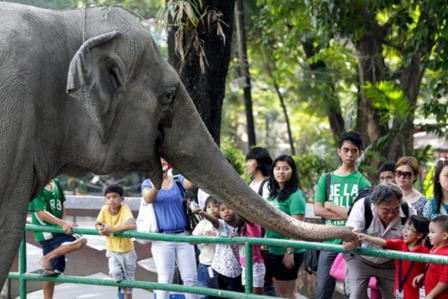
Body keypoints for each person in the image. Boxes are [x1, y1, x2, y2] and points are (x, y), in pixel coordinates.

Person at [313, 131, 371, 299]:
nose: (349, 154)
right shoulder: (327, 178)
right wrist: (348, 215)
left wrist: (330, 206)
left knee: (351, 291)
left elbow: (360, 216)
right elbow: (317, 209)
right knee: (323, 289)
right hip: (329, 240)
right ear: (339, 151)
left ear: (360, 153)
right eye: (346, 150)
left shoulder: (363, 182)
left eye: (354, 150)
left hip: (352, 242)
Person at [343, 183, 417, 299]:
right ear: (375, 204)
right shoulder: (362, 207)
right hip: (361, 259)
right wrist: (351, 242)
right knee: (356, 295)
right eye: (386, 210)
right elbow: (347, 241)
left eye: (395, 210)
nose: (391, 215)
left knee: (396, 296)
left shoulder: (408, 211)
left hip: (391, 262)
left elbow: (416, 241)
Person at [141, 158, 197, 299]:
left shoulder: (178, 180)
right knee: (165, 279)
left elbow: (191, 183)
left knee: (190, 278)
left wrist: (186, 162)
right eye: (158, 161)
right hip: (162, 238)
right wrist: (158, 181)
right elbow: (148, 198)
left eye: (164, 160)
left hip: (184, 235)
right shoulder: (148, 183)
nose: (162, 163)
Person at [28, 178, 87, 299]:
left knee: (50, 272)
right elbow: (41, 213)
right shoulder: (36, 186)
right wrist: (62, 224)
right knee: (81, 240)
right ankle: (46, 258)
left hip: (56, 229)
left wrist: (63, 223)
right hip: (46, 231)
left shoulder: (56, 183)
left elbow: (62, 205)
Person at [358, 215, 430, 299]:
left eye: (409, 229)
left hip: (416, 294)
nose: (404, 231)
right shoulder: (399, 244)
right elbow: (384, 242)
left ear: (420, 235)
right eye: (404, 227)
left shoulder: (425, 252)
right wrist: (367, 237)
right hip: (399, 291)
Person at [265, 154, 306, 299]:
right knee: (283, 293)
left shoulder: (296, 195)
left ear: (293, 171)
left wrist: (289, 251)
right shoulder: (273, 195)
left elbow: (297, 227)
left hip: (287, 251)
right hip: (274, 249)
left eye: (285, 168)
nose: (280, 172)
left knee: (287, 294)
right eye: (277, 168)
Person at [95, 184, 137, 299]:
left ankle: (123, 291)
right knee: (115, 272)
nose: (111, 200)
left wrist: (112, 229)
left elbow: (132, 225)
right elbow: (97, 223)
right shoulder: (104, 210)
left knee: (128, 284)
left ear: (121, 198)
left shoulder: (124, 208)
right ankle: (120, 288)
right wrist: (101, 229)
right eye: (108, 198)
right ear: (105, 200)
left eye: (114, 197)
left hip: (127, 251)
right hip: (113, 250)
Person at [194, 202, 243, 297]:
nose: (226, 211)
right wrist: (203, 213)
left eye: (229, 208)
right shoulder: (221, 225)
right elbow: (214, 221)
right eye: (223, 210)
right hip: (219, 271)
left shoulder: (241, 227)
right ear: (219, 214)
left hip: (237, 273)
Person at [413, 215, 448, 299]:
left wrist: (431, 295)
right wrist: (423, 275)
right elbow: (433, 269)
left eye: (432, 232)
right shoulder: (434, 248)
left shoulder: (445, 255)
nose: (429, 235)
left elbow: (445, 281)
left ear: (444, 236)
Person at [191, 196, 219, 299]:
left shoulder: (223, 224)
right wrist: (202, 239)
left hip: (220, 268)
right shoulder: (202, 224)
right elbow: (191, 241)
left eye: (216, 206)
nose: (212, 209)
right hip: (205, 266)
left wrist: (215, 237)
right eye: (209, 206)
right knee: (203, 295)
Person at [235, 215, 265, 295]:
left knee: (256, 296)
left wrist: (238, 210)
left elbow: (247, 218)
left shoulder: (255, 225)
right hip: (245, 266)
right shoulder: (242, 227)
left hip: (255, 265)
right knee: (248, 295)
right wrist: (235, 237)